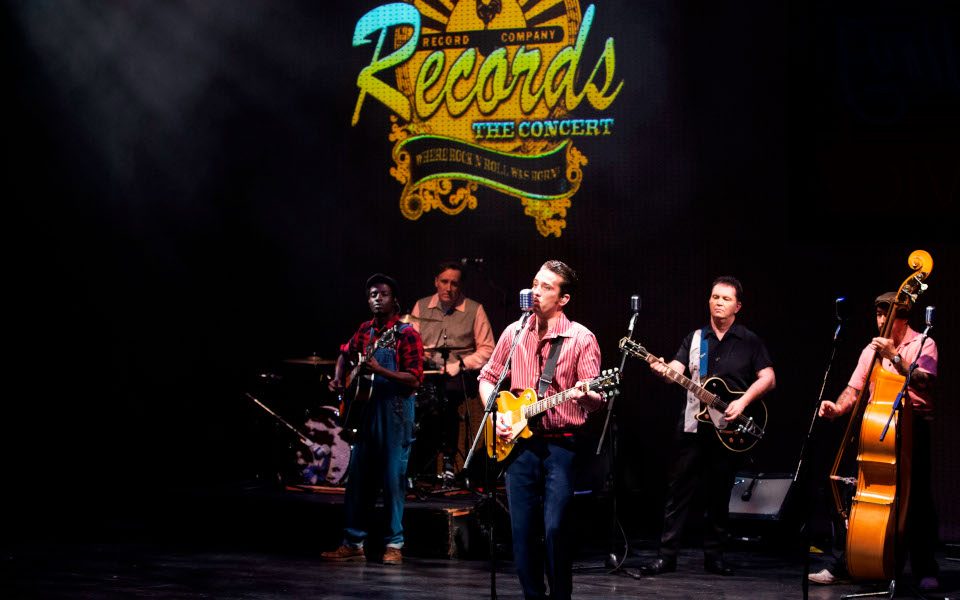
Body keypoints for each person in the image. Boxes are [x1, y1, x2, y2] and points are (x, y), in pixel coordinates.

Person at [478, 260, 604, 600]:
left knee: (554, 530)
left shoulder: (581, 338)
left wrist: (588, 394)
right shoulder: (514, 332)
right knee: (521, 533)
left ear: (563, 299)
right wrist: (496, 415)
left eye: (546, 287)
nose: (536, 291)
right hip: (517, 446)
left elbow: (595, 402)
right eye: (535, 283)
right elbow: (488, 377)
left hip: (560, 447)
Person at [640, 276, 776, 577]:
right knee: (678, 494)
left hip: (729, 429)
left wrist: (742, 403)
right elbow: (675, 371)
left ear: (737, 306)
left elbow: (768, 378)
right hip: (692, 427)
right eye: (715, 297)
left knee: (718, 495)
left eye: (726, 299)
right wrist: (662, 370)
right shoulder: (694, 339)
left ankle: (715, 557)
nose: (718, 302)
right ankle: (666, 556)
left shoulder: (749, 340)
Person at [809, 291, 940, 591]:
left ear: (903, 318)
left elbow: (926, 381)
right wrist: (837, 407)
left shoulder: (924, 343)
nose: (881, 321)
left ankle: (924, 570)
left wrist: (894, 355)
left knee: (917, 501)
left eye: (887, 315)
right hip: (877, 425)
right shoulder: (870, 350)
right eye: (879, 315)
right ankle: (845, 563)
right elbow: (853, 388)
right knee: (852, 491)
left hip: (913, 426)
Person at [321, 273, 424, 564]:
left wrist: (381, 370)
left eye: (383, 294)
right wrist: (340, 379)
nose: (377, 298)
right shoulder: (365, 331)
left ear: (395, 300)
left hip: (396, 413)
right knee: (358, 479)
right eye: (372, 294)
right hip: (366, 413)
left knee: (393, 480)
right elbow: (344, 352)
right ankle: (353, 542)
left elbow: (414, 379)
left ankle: (394, 545)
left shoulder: (405, 334)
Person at [410, 261, 495, 481]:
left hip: (458, 375)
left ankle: (448, 459)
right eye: (444, 282)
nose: (448, 288)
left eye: (454, 283)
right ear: (436, 282)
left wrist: (461, 364)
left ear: (461, 286)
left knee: (445, 399)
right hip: (427, 373)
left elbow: (487, 349)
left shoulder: (475, 309)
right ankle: (416, 464)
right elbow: (411, 344)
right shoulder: (421, 306)